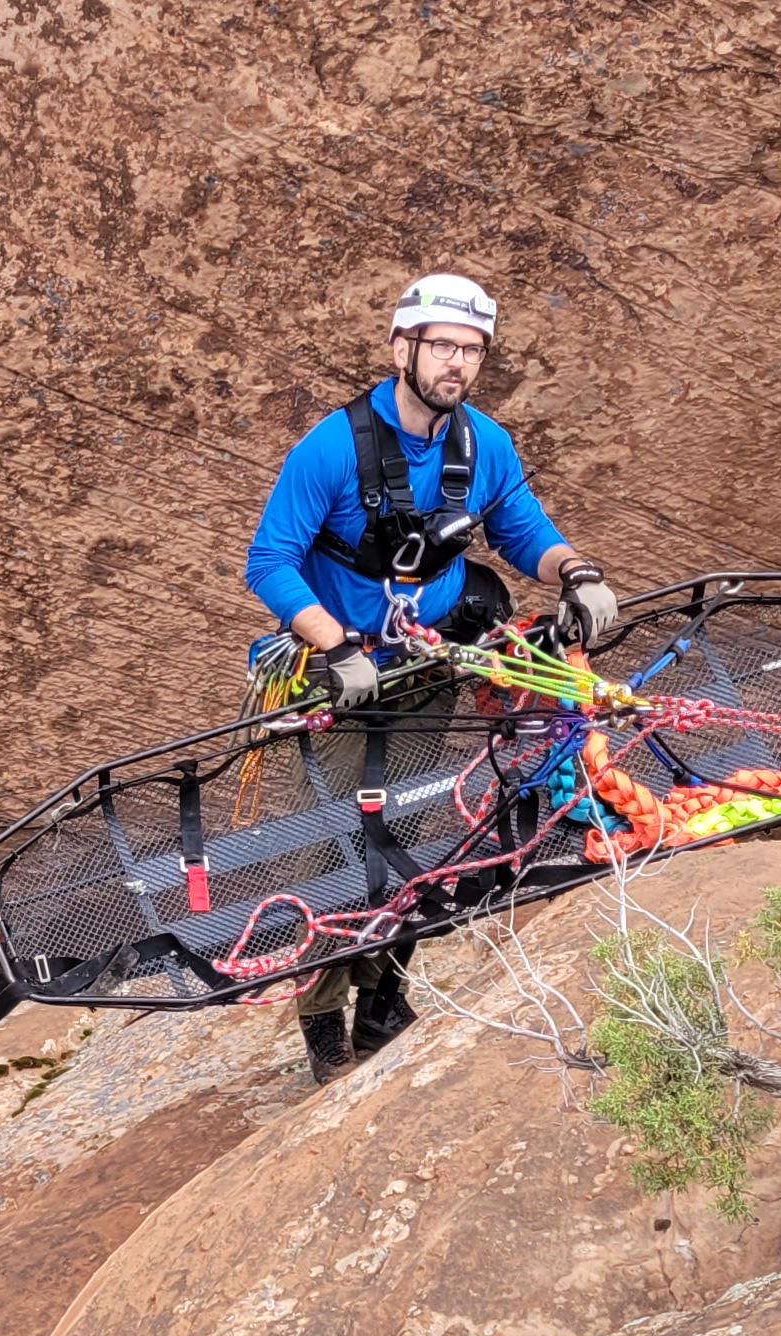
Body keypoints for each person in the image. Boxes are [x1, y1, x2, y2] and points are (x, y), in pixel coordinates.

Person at [242, 273, 623, 1079]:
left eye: (472, 350)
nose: (457, 363)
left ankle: (383, 993)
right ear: (401, 348)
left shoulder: (484, 445)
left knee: (409, 830)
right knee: (337, 840)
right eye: (442, 345)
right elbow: (270, 560)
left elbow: (523, 531)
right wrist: (335, 645)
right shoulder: (331, 448)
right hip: (338, 677)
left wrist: (576, 571)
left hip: (427, 667)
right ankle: (322, 1017)